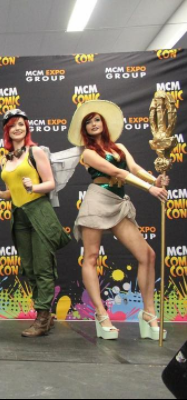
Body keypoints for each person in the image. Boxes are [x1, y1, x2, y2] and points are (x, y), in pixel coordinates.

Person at [69, 100, 169, 341]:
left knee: (147, 255)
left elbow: (133, 168)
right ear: (84, 129)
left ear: (103, 123)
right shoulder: (88, 153)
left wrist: (154, 180)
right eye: (88, 122)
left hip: (118, 202)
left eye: (97, 119)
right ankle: (101, 314)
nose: (94, 124)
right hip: (97, 200)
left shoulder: (120, 147)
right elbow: (116, 172)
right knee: (91, 257)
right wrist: (149, 189)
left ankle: (149, 313)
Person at [0, 109, 71, 337]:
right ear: (6, 130)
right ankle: (45, 315)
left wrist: (33, 186)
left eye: (21, 124)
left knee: (43, 267)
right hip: (19, 216)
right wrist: (0, 194)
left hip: (39, 212)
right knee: (30, 267)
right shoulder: (6, 159)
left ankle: (42, 318)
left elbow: (50, 183)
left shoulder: (36, 152)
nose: (17, 128)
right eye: (12, 125)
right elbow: (13, 192)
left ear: (27, 128)